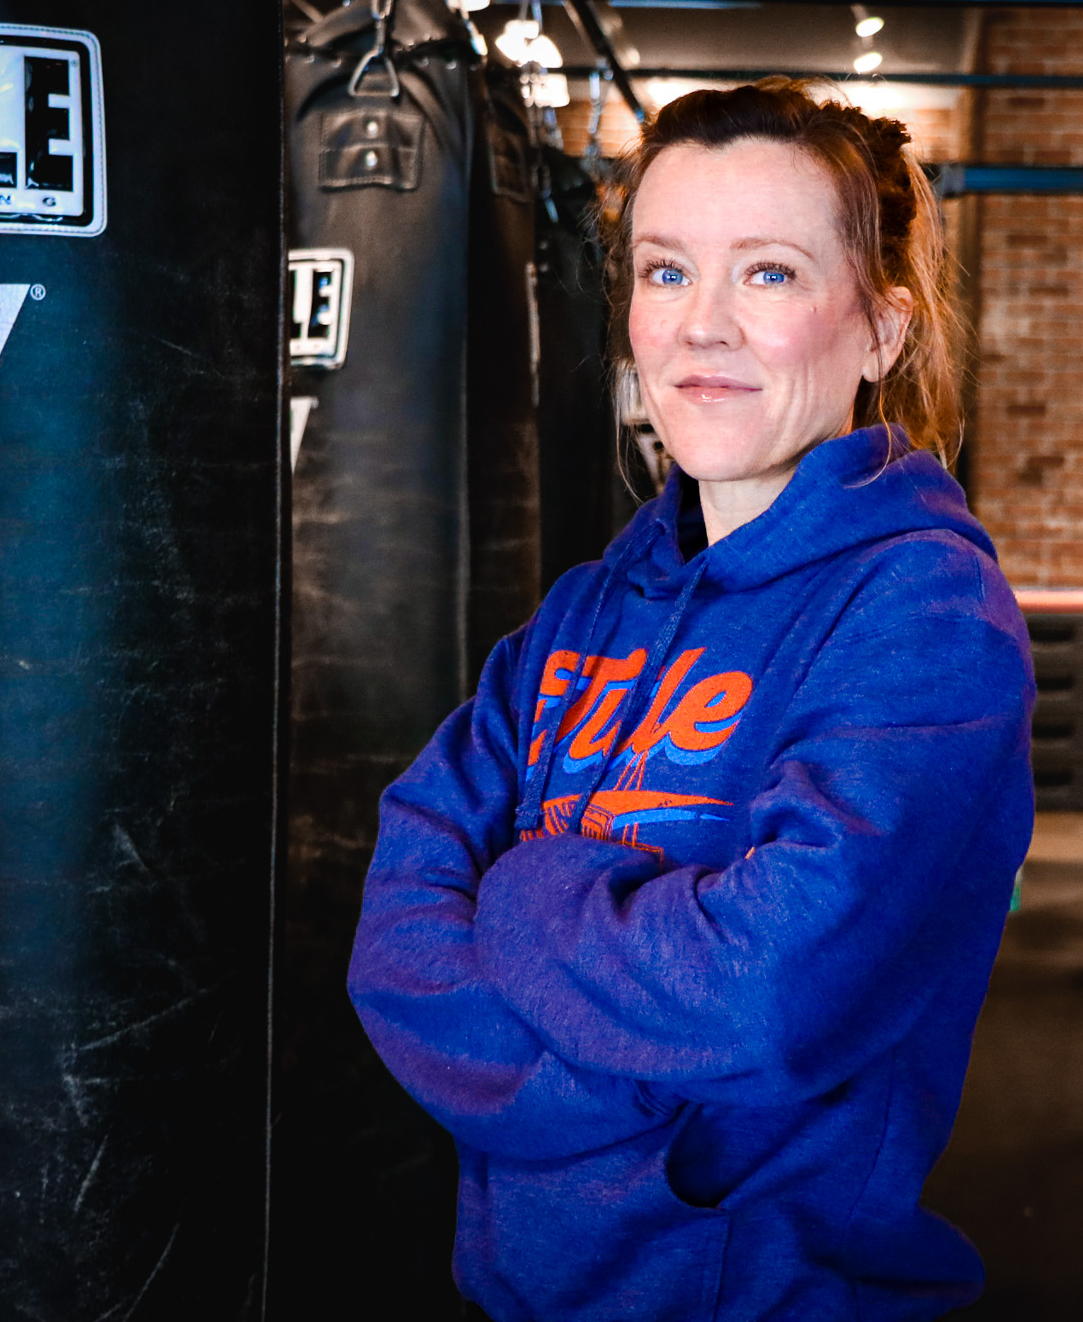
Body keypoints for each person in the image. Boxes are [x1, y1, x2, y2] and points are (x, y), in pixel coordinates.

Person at [348, 78, 1035, 1321]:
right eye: (666, 271)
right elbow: (395, 931)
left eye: (767, 273)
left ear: (879, 330)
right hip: (515, 1292)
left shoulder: (924, 615)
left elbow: (765, 996)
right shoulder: (584, 609)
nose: (700, 325)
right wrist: (641, 1076)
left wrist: (526, 888)